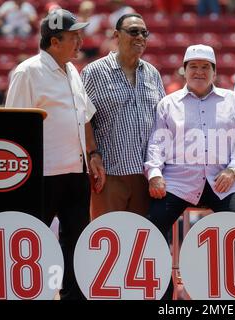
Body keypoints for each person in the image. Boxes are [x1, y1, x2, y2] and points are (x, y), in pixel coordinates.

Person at [4, 9, 105, 300]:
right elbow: (15, 127)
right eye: (73, 37)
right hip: (42, 174)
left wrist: (93, 153)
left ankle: (72, 295)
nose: (80, 41)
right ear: (54, 41)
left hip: (75, 171)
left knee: (75, 240)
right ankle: (22, 291)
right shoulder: (28, 72)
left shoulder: (72, 69)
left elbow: (84, 116)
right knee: (31, 238)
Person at [145, 44, 235, 299]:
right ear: (184, 71)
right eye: (193, 66)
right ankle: (164, 295)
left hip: (220, 181)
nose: (199, 71)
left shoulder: (232, 100)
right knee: (151, 227)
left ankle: (227, 291)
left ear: (214, 72)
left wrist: (233, 169)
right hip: (178, 182)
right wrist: (155, 174)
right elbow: (156, 144)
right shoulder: (168, 104)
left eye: (205, 67)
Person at [81, 13, 165, 220]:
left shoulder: (152, 73)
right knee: (106, 237)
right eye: (133, 31)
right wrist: (92, 154)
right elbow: (82, 118)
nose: (140, 37)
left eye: (144, 33)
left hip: (145, 175)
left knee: (141, 242)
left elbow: (163, 120)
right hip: (108, 174)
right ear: (117, 35)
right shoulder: (94, 72)